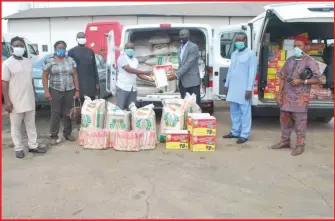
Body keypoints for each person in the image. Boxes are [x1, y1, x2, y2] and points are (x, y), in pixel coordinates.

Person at [271, 35, 326, 156]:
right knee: (284, 120)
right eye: (295, 46)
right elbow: (282, 77)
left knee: (300, 122)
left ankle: (300, 145)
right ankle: (285, 141)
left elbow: (321, 80)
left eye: (299, 45)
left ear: (306, 47)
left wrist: (303, 81)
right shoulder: (290, 60)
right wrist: (279, 93)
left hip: (300, 98)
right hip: (287, 96)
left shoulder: (310, 62)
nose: (296, 48)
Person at [2, 36, 47, 158]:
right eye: (17, 45)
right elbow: (4, 83)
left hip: (29, 99)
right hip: (15, 100)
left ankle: (33, 146)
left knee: (31, 124)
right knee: (15, 126)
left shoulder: (28, 62)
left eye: (21, 46)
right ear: (12, 47)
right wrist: (7, 101)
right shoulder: (7, 64)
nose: (19, 48)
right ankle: (18, 148)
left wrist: (35, 94)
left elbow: (31, 80)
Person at [42, 40, 80, 145]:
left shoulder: (71, 60)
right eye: (59, 48)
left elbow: (75, 76)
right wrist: (46, 91)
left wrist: (77, 90)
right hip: (55, 90)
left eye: (63, 48)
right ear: (55, 49)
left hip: (69, 89)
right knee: (55, 113)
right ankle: (53, 135)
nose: (61, 50)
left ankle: (67, 133)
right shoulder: (50, 61)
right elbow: (44, 75)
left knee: (68, 112)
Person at [222, 33, 257, 144]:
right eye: (237, 40)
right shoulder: (234, 54)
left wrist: (249, 89)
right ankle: (235, 132)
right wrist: (227, 85)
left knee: (245, 112)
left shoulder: (251, 54)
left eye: (240, 40)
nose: (238, 42)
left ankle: (244, 134)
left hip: (244, 88)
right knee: (234, 111)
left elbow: (252, 72)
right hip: (233, 87)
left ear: (245, 40)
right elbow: (231, 70)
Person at [116, 42, 152, 110]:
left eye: (132, 48)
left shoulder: (135, 60)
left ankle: (129, 120)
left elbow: (138, 74)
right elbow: (128, 69)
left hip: (133, 88)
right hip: (123, 87)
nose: (130, 49)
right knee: (120, 108)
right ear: (125, 49)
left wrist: (150, 79)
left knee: (132, 108)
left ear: (134, 49)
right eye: (128, 48)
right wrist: (145, 72)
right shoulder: (121, 58)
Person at [68, 32, 99, 102]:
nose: (82, 39)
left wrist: (97, 82)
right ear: (76, 39)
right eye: (80, 38)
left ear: (86, 39)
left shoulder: (90, 51)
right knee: (78, 105)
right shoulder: (71, 52)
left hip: (90, 82)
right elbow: (70, 69)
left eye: (83, 37)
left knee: (90, 104)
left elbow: (94, 67)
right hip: (78, 82)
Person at [175, 29, 201, 106]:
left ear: (188, 36)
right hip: (182, 82)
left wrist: (177, 74)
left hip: (192, 82)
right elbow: (181, 64)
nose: (182, 37)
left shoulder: (193, 47)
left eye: (184, 35)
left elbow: (188, 64)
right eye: (180, 35)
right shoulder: (180, 48)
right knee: (185, 106)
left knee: (195, 106)